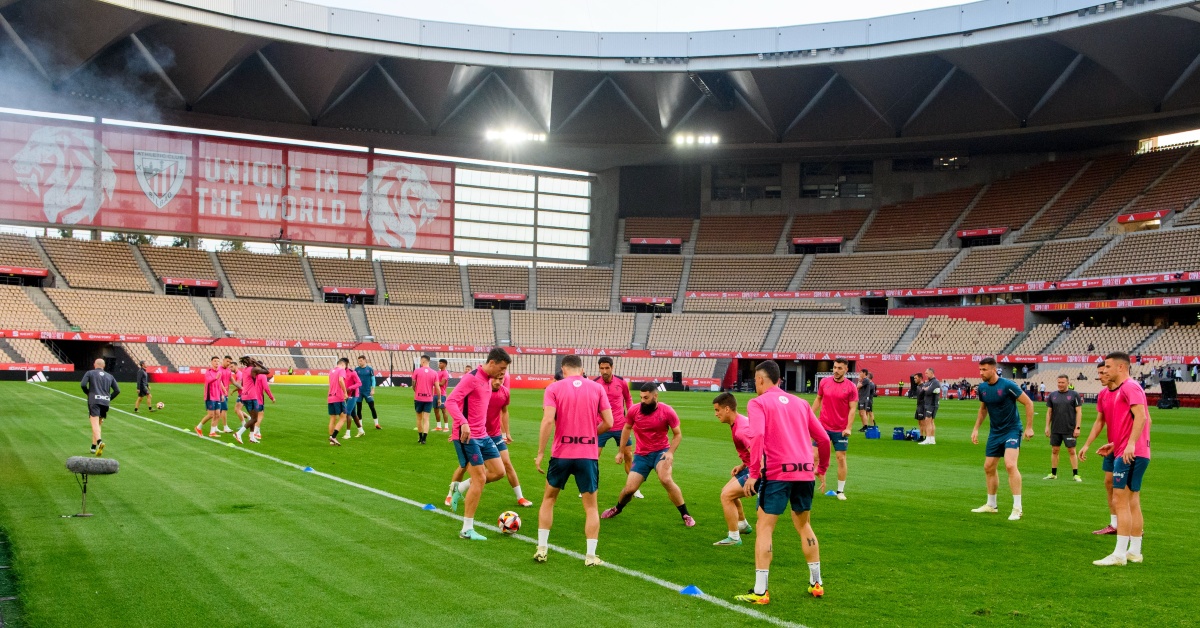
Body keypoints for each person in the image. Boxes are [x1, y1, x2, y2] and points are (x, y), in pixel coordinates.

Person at [735, 360, 831, 605]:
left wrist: (754, 472)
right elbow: (823, 438)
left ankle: (760, 592)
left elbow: (756, 435)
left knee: (765, 527)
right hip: (805, 472)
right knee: (804, 525)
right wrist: (821, 469)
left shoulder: (758, 402)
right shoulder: (800, 403)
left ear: (760, 380)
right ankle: (816, 583)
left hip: (778, 473)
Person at [533, 354, 613, 565]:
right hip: (587, 455)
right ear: (582, 368)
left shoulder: (554, 388)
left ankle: (542, 548)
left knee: (549, 499)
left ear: (563, 369)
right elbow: (610, 421)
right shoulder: (597, 388)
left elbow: (548, 420)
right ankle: (590, 556)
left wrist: (541, 452)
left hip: (561, 453)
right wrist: (592, 434)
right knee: (591, 507)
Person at [1084, 352, 1152, 567]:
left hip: (1131, 453)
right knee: (1132, 502)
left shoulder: (1130, 387)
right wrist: (1117, 444)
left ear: (1121, 367)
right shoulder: (1122, 389)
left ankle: (1119, 554)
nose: (1105, 370)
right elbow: (1132, 420)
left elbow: (1142, 416)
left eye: (1109, 366)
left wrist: (1130, 444)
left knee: (1120, 501)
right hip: (1128, 450)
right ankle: (1134, 552)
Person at [601, 382, 694, 527]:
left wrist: (670, 453)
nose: (643, 401)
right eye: (641, 397)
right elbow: (626, 429)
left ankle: (685, 514)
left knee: (666, 479)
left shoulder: (667, 411)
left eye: (646, 397)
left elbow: (678, 434)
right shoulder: (634, 410)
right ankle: (617, 508)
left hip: (661, 451)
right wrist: (620, 451)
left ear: (655, 396)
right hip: (642, 455)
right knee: (630, 489)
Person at [446, 348, 512, 540]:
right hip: (467, 437)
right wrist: (463, 422)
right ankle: (467, 529)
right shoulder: (471, 378)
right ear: (491, 363)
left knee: (499, 471)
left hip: (483, 435)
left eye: (505, 370)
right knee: (481, 478)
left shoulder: (488, 380)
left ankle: (460, 487)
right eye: (501, 368)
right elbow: (450, 401)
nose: (503, 373)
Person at [971, 357, 1036, 521]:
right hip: (995, 432)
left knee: (1010, 464)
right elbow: (983, 409)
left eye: (984, 370)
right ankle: (991, 505)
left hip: (1012, 430)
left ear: (994, 369)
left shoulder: (1008, 385)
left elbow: (1028, 403)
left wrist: (1029, 427)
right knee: (988, 466)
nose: (981, 373)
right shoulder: (983, 388)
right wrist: (976, 429)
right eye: (980, 370)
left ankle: (1017, 508)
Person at [592, 357, 642, 500]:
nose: (604, 371)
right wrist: (595, 420)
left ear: (612, 368)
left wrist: (630, 416)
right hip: (602, 426)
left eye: (607, 368)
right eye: (602, 368)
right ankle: (591, 487)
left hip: (621, 426)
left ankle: (634, 488)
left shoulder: (621, 383)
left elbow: (628, 399)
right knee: (593, 458)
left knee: (628, 456)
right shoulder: (595, 383)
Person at [1080, 362, 1119, 536]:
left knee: (1126, 490)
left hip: (1125, 447)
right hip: (1111, 446)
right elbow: (1099, 421)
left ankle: (1133, 527)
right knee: (1109, 483)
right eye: (1099, 373)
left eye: (1103, 372)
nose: (1100, 376)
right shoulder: (1103, 394)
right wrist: (1087, 444)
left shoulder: (1126, 391)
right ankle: (1114, 524)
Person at [484, 372, 534, 507]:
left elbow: (504, 411)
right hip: (479, 435)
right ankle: (457, 488)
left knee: (507, 464)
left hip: (495, 434)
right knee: (469, 467)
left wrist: (507, 432)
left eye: (501, 379)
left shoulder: (505, 392)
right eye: (496, 378)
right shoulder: (481, 390)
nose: (498, 382)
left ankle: (520, 497)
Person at [712, 392, 754, 546]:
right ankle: (742, 525)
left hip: (762, 470)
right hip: (752, 466)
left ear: (727, 409)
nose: (716, 414)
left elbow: (759, 454)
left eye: (718, 410)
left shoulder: (741, 430)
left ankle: (734, 537)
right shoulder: (739, 422)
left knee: (726, 496)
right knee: (726, 491)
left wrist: (754, 476)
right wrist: (743, 465)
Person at [815, 358, 857, 500]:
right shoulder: (824, 382)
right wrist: (808, 416)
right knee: (813, 456)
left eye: (840, 368)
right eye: (834, 367)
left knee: (840, 458)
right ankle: (808, 486)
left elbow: (852, 409)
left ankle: (840, 491)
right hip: (822, 426)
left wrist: (849, 428)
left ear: (846, 370)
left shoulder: (851, 387)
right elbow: (818, 399)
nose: (836, 371)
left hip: (840, 429)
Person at [1043, 375, 1083, 481]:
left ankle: (1075, 474)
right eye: (1059, 382)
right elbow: (1049, 412)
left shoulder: (1074, 395)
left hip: (1069, 428)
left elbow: (1079, 412)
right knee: (1055, 450)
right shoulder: (1053, 395)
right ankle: (1053, 473)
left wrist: (1077, 427)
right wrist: (1047, 426)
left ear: (1068, 383)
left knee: (1071, 451)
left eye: (1063, 382)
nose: (1060, 384)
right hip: (1056, 428)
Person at [81, 358, 119, 456]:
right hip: (105, 402)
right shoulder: (110, 376)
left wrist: (88, 393)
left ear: (94, 364)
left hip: (94, 400)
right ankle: (93, 447)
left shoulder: (90, 373)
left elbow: (83, 385)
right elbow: (117, 390)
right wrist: (108, 398)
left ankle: (99, 442)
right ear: (104, 366)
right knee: (98, 424)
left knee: (94, 424)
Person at [234, 357, 272, 444]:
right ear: (251, 362)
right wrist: (257, 362)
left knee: (252, 417)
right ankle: (238, 433)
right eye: (252, 360)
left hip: (244, 396)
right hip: (251, 396)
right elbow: (267, 371)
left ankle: (252, 437)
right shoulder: (253, 369)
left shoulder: (245, 369)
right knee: (255, 419)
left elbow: (243, 382)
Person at [196, 356, 226, 437]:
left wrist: (221, 394)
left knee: (218, 414)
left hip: (217, 396)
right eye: (215, 361)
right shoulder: (208, 372)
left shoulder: (219, 372)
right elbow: (208, 381)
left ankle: (212, 432)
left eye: (218, 361)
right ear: (211, 362)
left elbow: (219, 384)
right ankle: (198, 427)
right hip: (210, 396)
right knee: (211, 415)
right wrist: (215, 378)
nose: (216, 363)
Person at [412, 355, 438, 444]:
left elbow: (413, 384)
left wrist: (416, 391)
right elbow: (437, 387)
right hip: (429, 398)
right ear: (428, 361)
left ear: (422, 361)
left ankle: (419, 437)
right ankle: (424, 438)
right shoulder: (434, 373)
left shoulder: (417, 371)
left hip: (418, 398)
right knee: (426, 419)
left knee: (419, 418)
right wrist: (439, 398)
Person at [327, 358, 349, 446]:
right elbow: (340, 380)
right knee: (343, 417)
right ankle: (334, 437)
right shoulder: (341, 370)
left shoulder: (331, 371)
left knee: (332, 418)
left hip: (330, 397)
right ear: (343, 365)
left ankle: (331, 439)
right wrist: (345, 392)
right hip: (338, 397)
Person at [355, 355, 381, 430]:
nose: (359, 362)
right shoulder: (356, 369)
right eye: (358, 361)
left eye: (361, 360)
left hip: (367, 391)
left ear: (364, 360)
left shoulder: (369, 369)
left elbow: (373, 380)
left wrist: (373, 389)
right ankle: (360, 425)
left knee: (372, 407)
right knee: (359, 409)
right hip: (359, 391)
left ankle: (376, 424)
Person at [342, 362, 364, 440]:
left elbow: (359, 383)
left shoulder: (352, 372)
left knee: (347, 412)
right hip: (347, 395)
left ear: (345, 365)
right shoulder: (341, 373)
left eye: (342, 365)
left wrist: (350, 388)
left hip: (353, 395)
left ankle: (348, 433)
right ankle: (361, 431)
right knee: (353, 414)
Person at [216, 356, 235, 434]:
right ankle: (225, 427)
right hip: (220, 393)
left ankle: (214, 427)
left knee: (219, 411)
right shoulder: (219, 370)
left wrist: (241, 387)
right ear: (223, 360)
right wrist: (223, 392)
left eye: (230, 362)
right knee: (224, 409)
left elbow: (233, 380)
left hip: (225, 393)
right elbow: (219, 382)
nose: (228, 363)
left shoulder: (228, 370)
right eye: (227, 361)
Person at [433, 358, 450, 432]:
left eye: (441, 363)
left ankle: (446, 427)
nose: (439, 364)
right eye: (439, 363)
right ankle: (438, 426)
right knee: (436, 410)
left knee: (443, 410)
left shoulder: (445, 373)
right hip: (435, 394)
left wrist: (434, 382)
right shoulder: (437, 372)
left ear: (445, 364)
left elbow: (442, 383)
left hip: (442, 394)